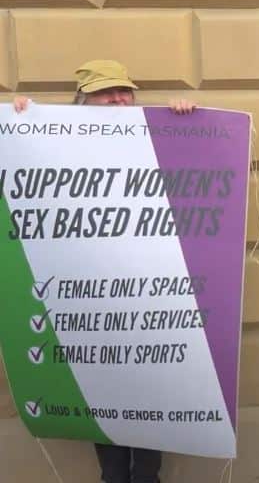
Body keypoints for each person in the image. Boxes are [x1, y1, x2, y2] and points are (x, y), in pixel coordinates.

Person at [14, 59, 195, 483]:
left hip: (148, 295)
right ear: (83, 101)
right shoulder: (59, 142)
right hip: (90, 298)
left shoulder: (154, 133)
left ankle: (147, 474)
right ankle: (113, 475)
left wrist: (183, 116)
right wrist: (21, 116)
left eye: (124, 91)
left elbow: (195, 165)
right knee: (105, 389)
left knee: (150, 393)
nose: (118, 99)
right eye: (106, 92)